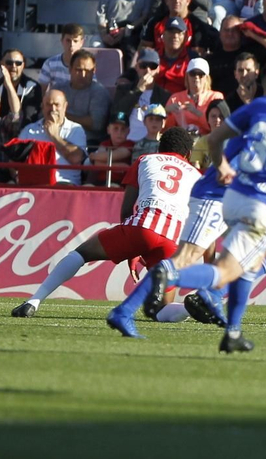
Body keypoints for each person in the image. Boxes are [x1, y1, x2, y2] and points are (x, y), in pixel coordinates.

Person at [142, 54, 266, 352]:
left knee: (262, 258)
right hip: (264, 204)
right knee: (228, 271)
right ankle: (171, 273)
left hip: (234, 195)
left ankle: (233, 332)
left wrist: (221, 166)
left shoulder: (262, 105)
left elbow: (214, 139)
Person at [13, 129, 200, 318]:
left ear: (160, 148)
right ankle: (191, 309)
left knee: (81, 254)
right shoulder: (196, 175)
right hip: (173, 240)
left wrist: (132, 248)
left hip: (143, 226)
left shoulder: (145, 160)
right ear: (189, 154)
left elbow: (127, 209)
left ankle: (33, 301)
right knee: (161, 311)